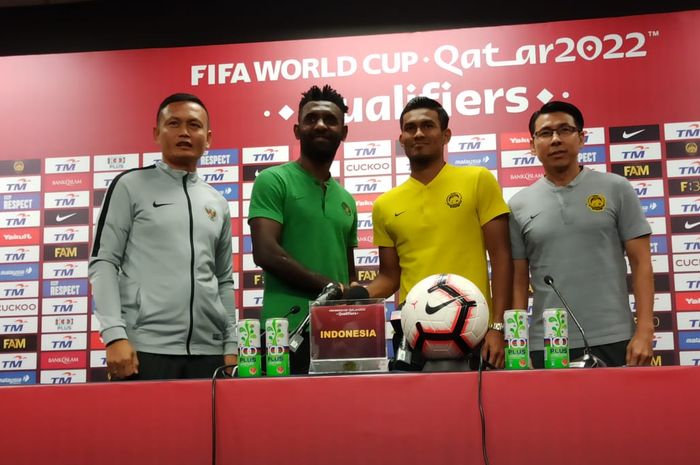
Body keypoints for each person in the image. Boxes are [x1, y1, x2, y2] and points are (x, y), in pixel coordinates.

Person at [89, 93, 237, 380]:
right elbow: (104, 262)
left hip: (209, 353)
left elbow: (224, 280)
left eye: (194, 125)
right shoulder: (130, 186)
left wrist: (230, 344)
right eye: (174, 123)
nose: (184, 132)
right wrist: (114, 335)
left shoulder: (217, 201)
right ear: (157, 133)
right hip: (143, 349)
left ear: (208, 138)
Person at [360, 96, 513, 369]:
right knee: (415, 412)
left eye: (427, 126)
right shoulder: (385, 204)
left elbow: (502, 259)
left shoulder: (478, 180)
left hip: (474, 331)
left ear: (446, 135)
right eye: (410, 128)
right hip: (414, 334)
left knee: (477, 411)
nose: (418, 133)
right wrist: (354, 296)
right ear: (401, 138)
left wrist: (497, 327)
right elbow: (389, 277)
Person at [508, 100, 654, 367]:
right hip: (547, 342)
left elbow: (642, 262)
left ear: (581, 138)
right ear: (532, 145)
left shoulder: (617, 188)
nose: (555, 140)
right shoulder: (518, 204)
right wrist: (518, 347)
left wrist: (644, 330)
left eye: (565, 130)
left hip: (615, 336)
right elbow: (518, 281)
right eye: (545, 133)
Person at [248, 84, 358, 374]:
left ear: (343, 133)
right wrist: (329, 287)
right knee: (284, 418)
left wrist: (351, 306)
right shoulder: (273, 180)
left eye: (330, 120)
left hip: (337, 334)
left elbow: (349, 274)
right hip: (282, 332)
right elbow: (266, 252)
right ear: (297, 130)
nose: (320, 125)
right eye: (311, 119)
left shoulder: (347, 200)